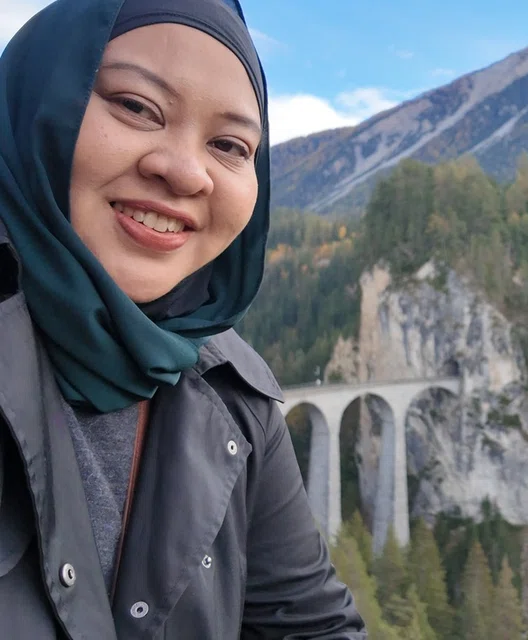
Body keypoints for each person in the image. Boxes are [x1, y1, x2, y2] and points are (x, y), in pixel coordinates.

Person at [0, 0, 366, 637]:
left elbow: (311, 626)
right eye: (137, 106)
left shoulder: (232, 392)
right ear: (36, 102)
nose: (184, 170)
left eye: (229, 145)